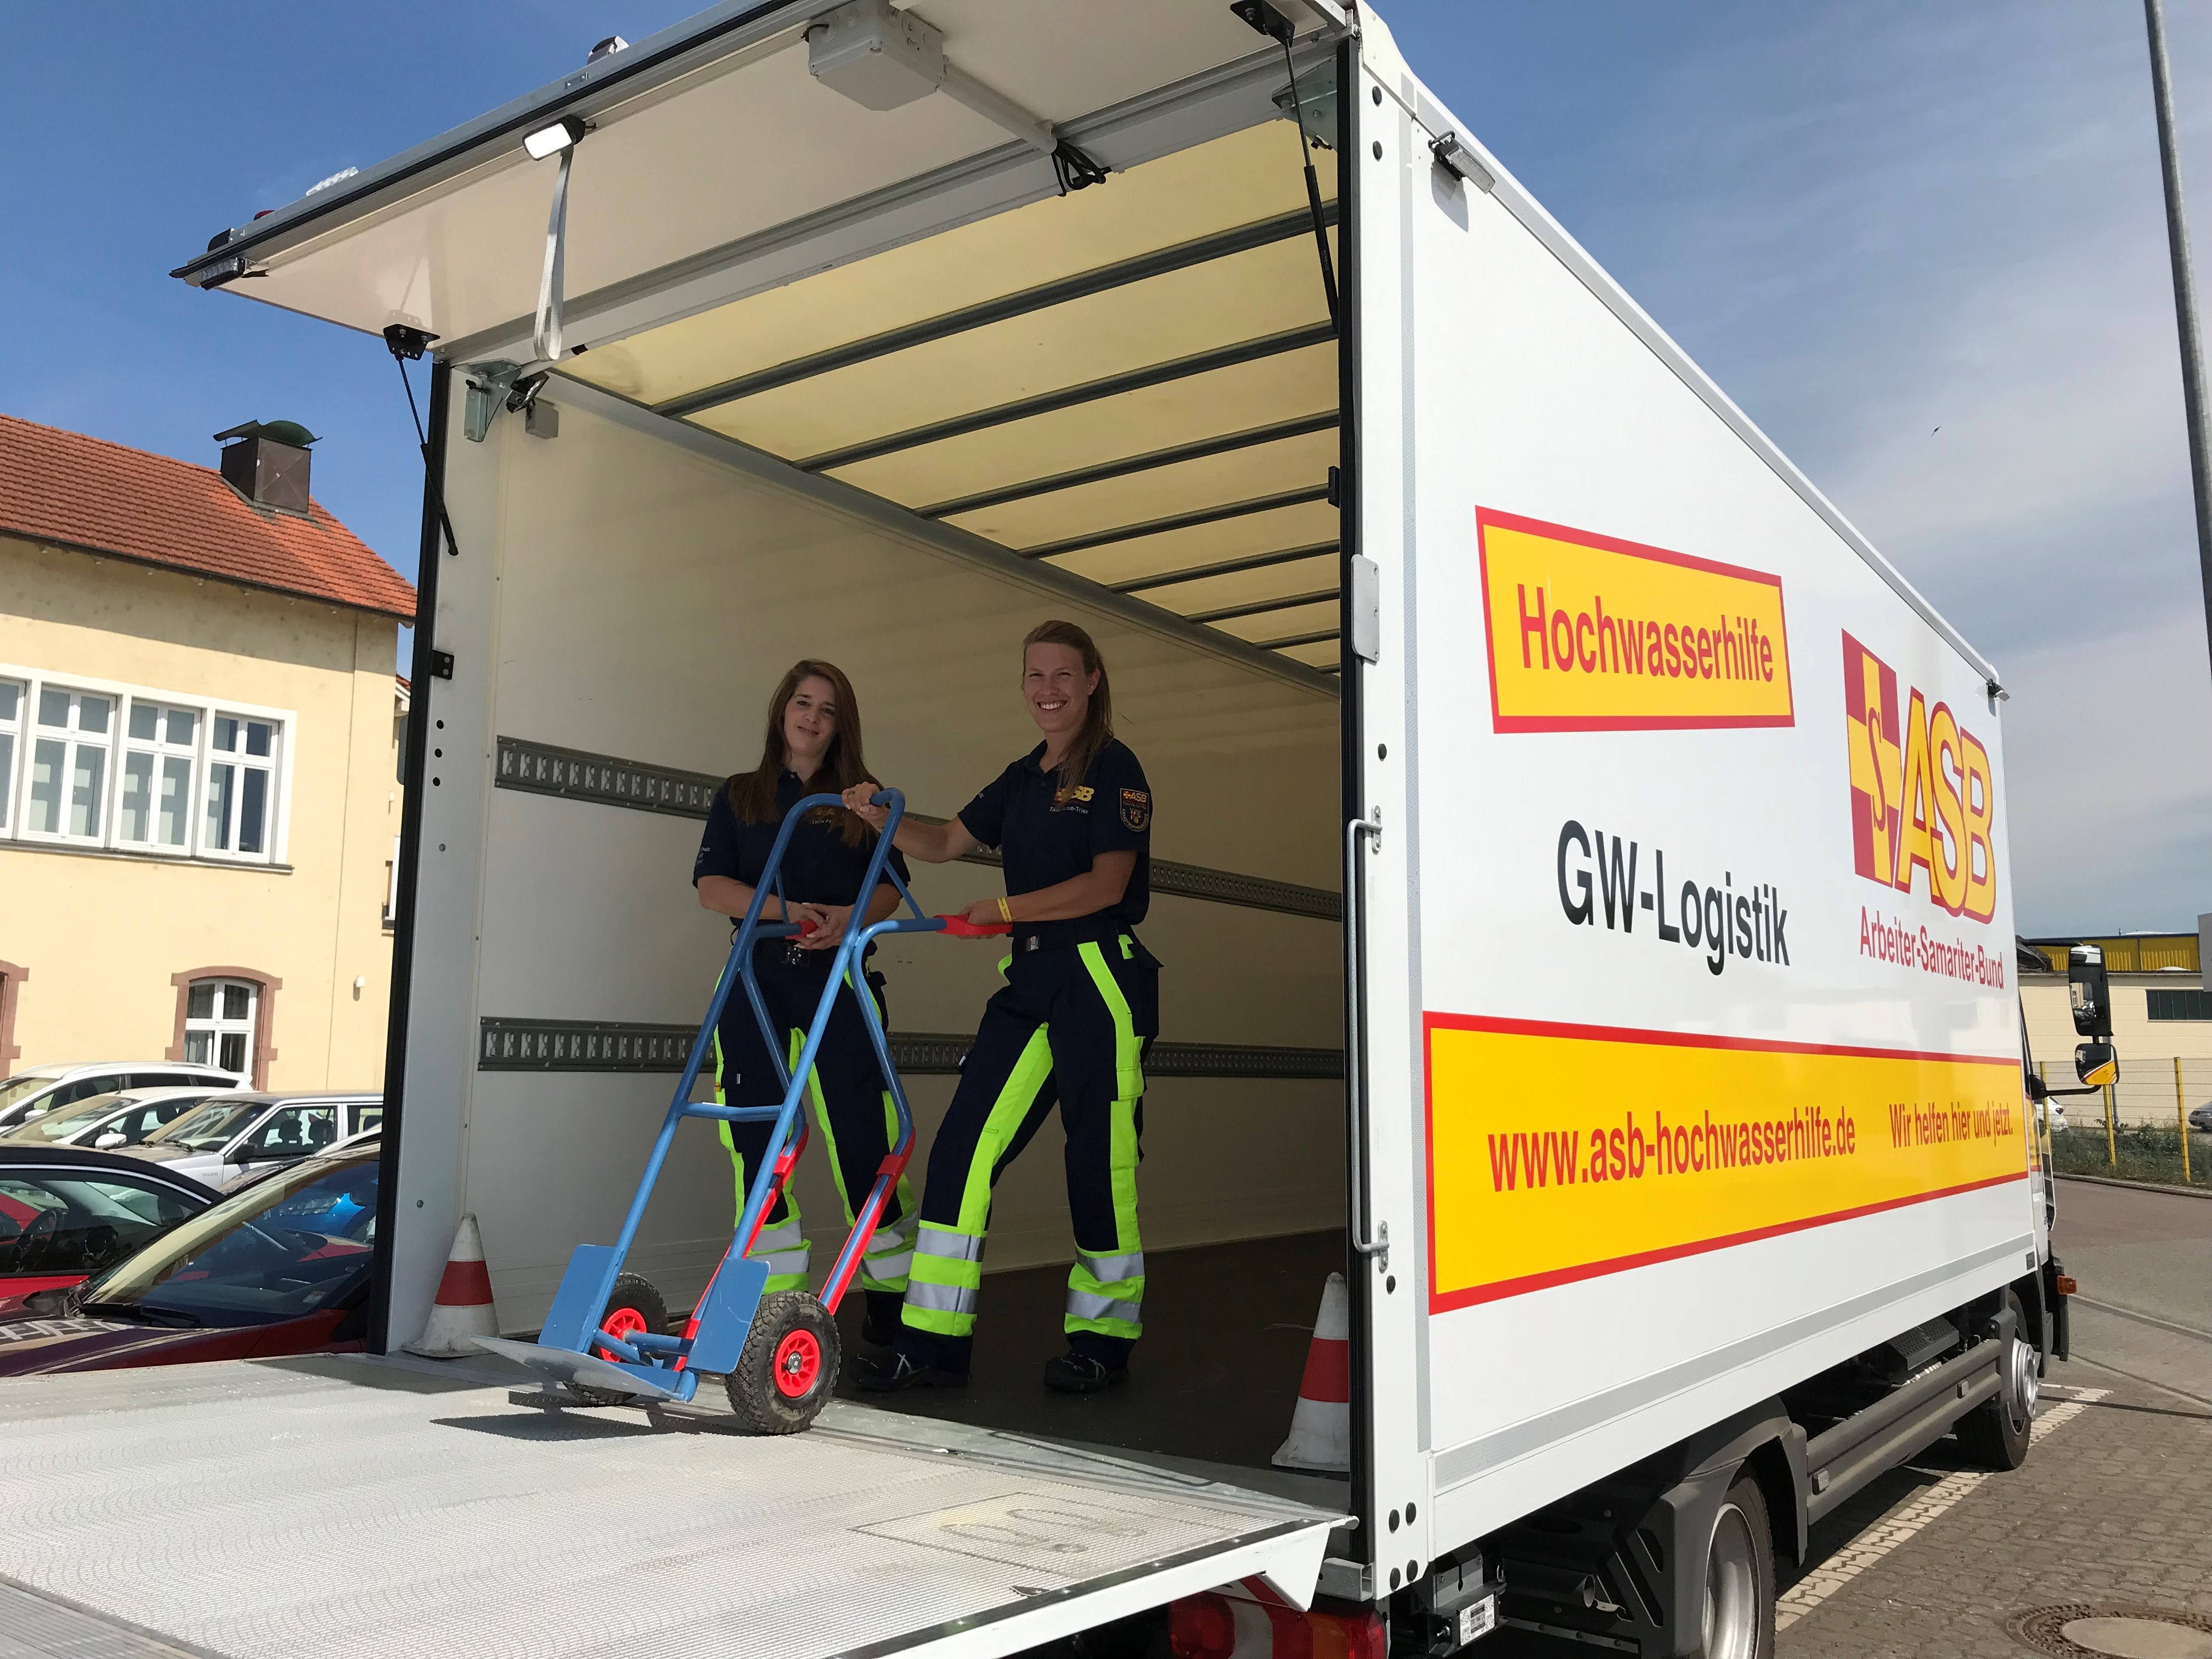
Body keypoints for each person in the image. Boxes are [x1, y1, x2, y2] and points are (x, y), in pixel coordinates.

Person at [843, 619, 1158, 1395]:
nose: (1048, 690)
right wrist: (880, 818)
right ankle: (933, 1342)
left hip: (1098, 979)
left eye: (1062, 676)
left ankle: (1103, 1342)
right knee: (959, 1153)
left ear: (1091, 681)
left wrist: (1010, 909)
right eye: (1034, 677)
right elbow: (948, 840)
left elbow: (1107, 887)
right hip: (1029, 982)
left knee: (1098, 1161)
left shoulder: (1115, 768)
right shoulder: (1022, 777)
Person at [693, 660, 915, 1346]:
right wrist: (790, 912)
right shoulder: (741, 795)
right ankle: (769, 1303)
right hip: (756, 975)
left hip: (838, 980)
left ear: (840, 725)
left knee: (862, 1133)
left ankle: (889, 1300)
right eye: (802, 702)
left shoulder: (862, 803)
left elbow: (891, 888)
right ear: (781, 711)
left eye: (826, 709)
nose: (811, 717)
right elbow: (711, 887)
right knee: (754, 1133)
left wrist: (848, 919)